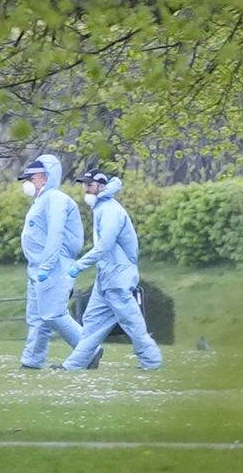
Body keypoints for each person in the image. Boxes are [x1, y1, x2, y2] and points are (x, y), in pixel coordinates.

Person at [56, 169, 162, 371]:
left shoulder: (110, 210)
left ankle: (152, 362)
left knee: (132, 323)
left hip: (118, 277)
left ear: (101, 186)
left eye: (89, 185)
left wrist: (78, 266)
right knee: (91, 323)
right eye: (84, 184)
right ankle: (74, 365)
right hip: (106, 277)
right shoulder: (101, 207)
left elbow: (105, 246)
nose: (85, 189)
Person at [16, 154, 90, 369]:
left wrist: (46, 267)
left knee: (53, 314)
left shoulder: (55, 199)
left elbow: (55, 234)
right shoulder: (42, 200)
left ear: (44, 177)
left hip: (54, 266)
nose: (27, 183)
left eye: (31, 178)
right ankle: (32, 361)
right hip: (38, 267)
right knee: (37, 318)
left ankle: (89, 351)